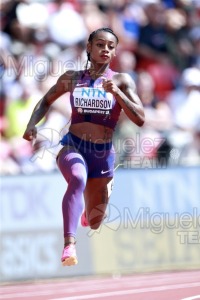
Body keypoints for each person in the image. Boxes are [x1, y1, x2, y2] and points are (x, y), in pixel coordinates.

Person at [23, 27, 145, 266]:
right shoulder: (72, 78)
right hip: (73, 146)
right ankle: (69, 244)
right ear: (89, 48)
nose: (105, 50)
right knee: (77, 178)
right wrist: (31, 124)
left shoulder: (121, 80)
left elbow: (140, 118)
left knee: (95, 220)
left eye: (111, 47)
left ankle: (88, 213)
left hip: (102, 155)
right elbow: (45, 100)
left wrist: (118, 93)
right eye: (100, 45)